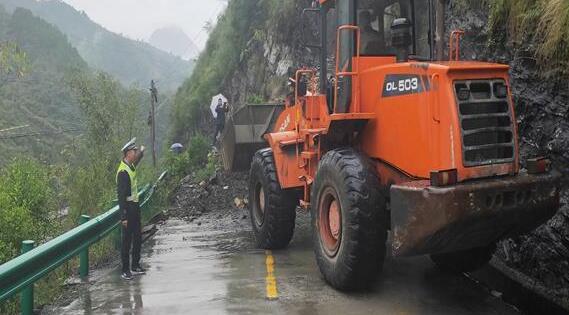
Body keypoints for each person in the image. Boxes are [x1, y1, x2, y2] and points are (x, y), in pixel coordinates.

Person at [117, 138, 145, 281]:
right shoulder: (122, 171)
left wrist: (142, 152)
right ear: (128, 153)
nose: (135, 153)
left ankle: (135, 265)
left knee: (137, 237)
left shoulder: (130, 166)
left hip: (135, 206)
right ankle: (125, 270)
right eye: (134, 151)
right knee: (126, 241)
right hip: (128, 208)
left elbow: (137, 161)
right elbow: (121, 196)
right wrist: (123, 216)